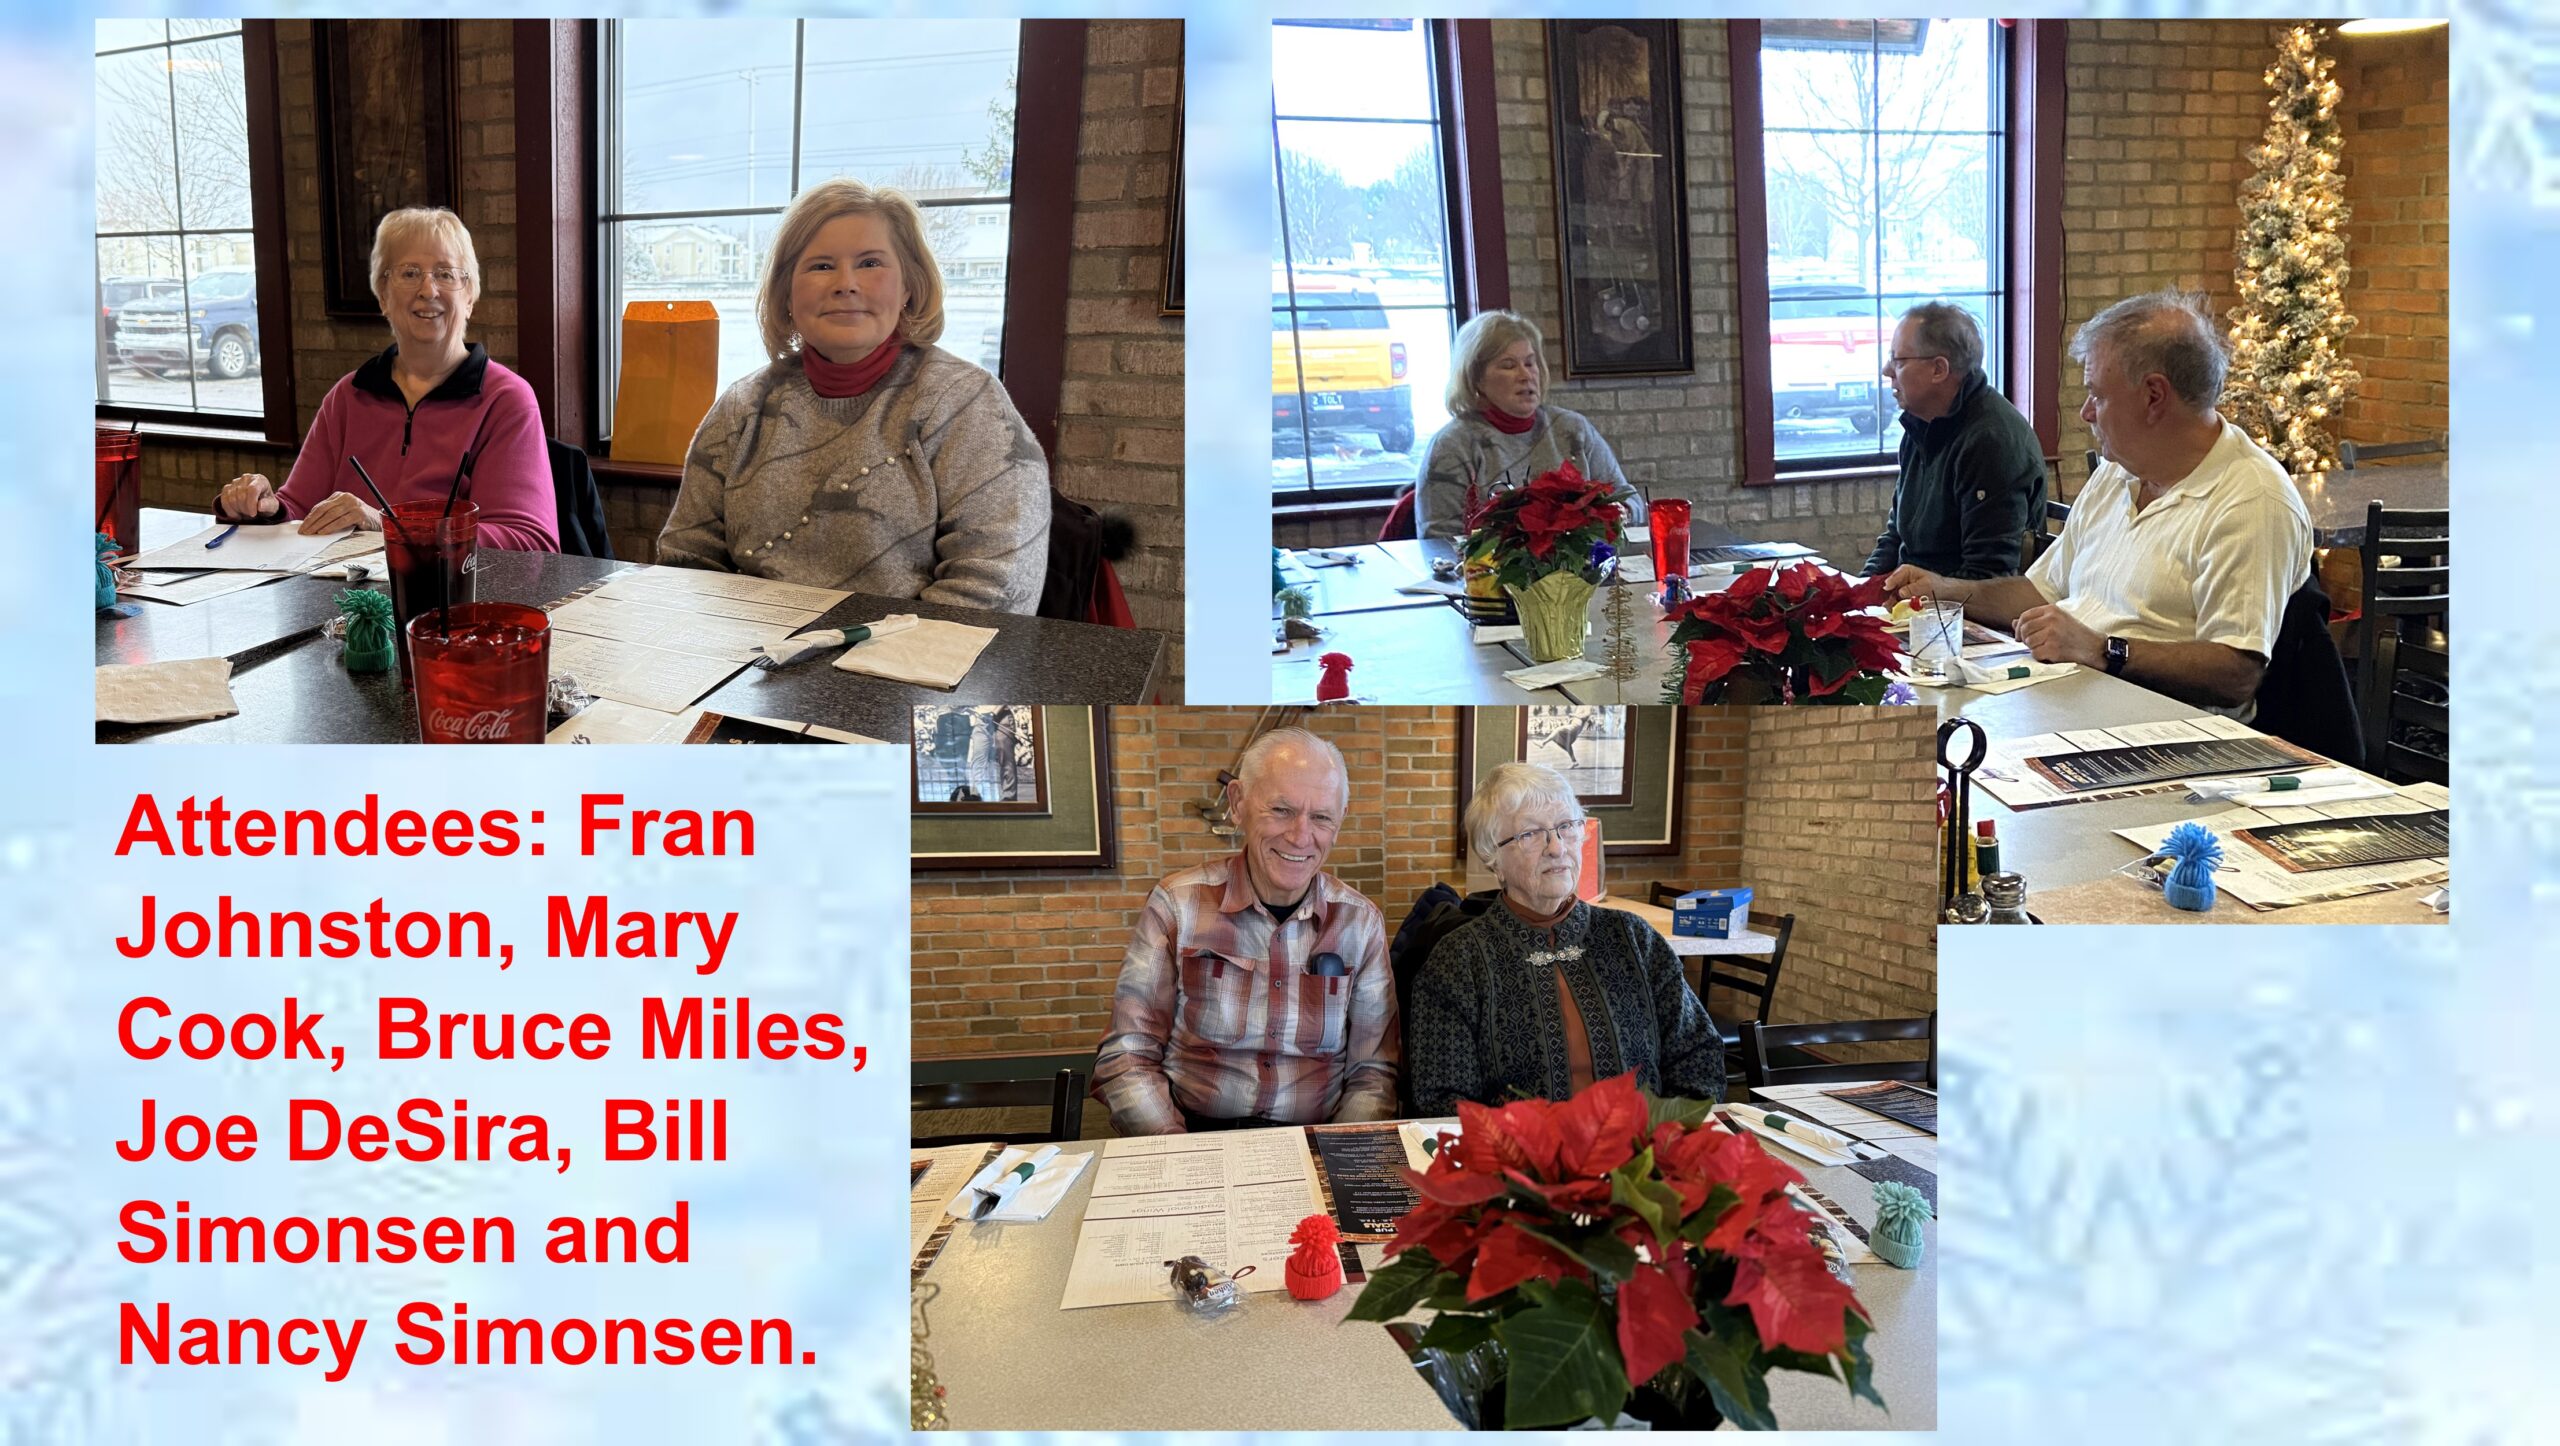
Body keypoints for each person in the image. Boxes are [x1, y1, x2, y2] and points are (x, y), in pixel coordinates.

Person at [1885, 290, 2312, 718]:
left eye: (2097, 395)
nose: (2087, 413)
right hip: (2073, 699)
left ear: (2153, 396)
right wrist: (1948, 591)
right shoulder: (2117, 472)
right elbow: (2040, 590)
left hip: (2163, 729)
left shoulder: (2252, 499)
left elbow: (2235, 673)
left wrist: (2102, 650)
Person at [657, 178, 1048, 612]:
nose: (845, 284)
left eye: (870, 263)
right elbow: (685, 563)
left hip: (912, 670)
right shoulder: (741, 408)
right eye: (820, 266)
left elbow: (993, 587)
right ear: (787, 294)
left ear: (908, 287)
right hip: (753, 665)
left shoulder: (965, 404)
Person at [1092, 728, 1400, 1135]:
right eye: (1281, 810)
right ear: (1237, 803)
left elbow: (1373, 1073)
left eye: (1321, 817)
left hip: (1316, 1143)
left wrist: (1339, 1158)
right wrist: (1176, 1151)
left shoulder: (1360, 922)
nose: (1300, 835)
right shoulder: (1177, 904)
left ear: (1338, 822)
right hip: (1193, 1135)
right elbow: (1127, 1055)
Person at [215, 207, 557, 552]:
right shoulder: (348, 396)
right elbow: (300, 509)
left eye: (446, 274)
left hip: (455, 600)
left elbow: (530, 545)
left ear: (469, 298)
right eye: (409, 273)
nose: (428, 289)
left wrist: (389, 526)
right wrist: (265, 507)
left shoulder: (505, 400)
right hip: (349, 599)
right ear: (383, 296)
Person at [1406, 762, 1721, 1114]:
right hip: (1520, 1162)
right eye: (1530, 834)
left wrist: (1669, 1140)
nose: (1556, 848)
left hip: (1641, 1157)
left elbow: (1699, 1055)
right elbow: (1441, 1099)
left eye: (1566, 827)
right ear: (1493, 857)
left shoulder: (1635, 939)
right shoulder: (1457, 959)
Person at [1413, 309, 1641, 541]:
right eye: (1509, 365)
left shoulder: (1573, 429)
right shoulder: (1453, 445)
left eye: (1530, 363)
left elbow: (1629, 499)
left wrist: (1621, 512)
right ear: (1476, 378)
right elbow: (1437, 542)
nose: (1526, 375)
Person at [1861, 302, 2047, 580]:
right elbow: (1896, 538)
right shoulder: (1921, 425)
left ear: (1939, 369)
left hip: (1962, 613)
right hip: (1919, 603)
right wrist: (1857, 595)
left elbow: (1989, 576)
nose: (1887, 370)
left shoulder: (1990, 443)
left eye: (1898, 360)